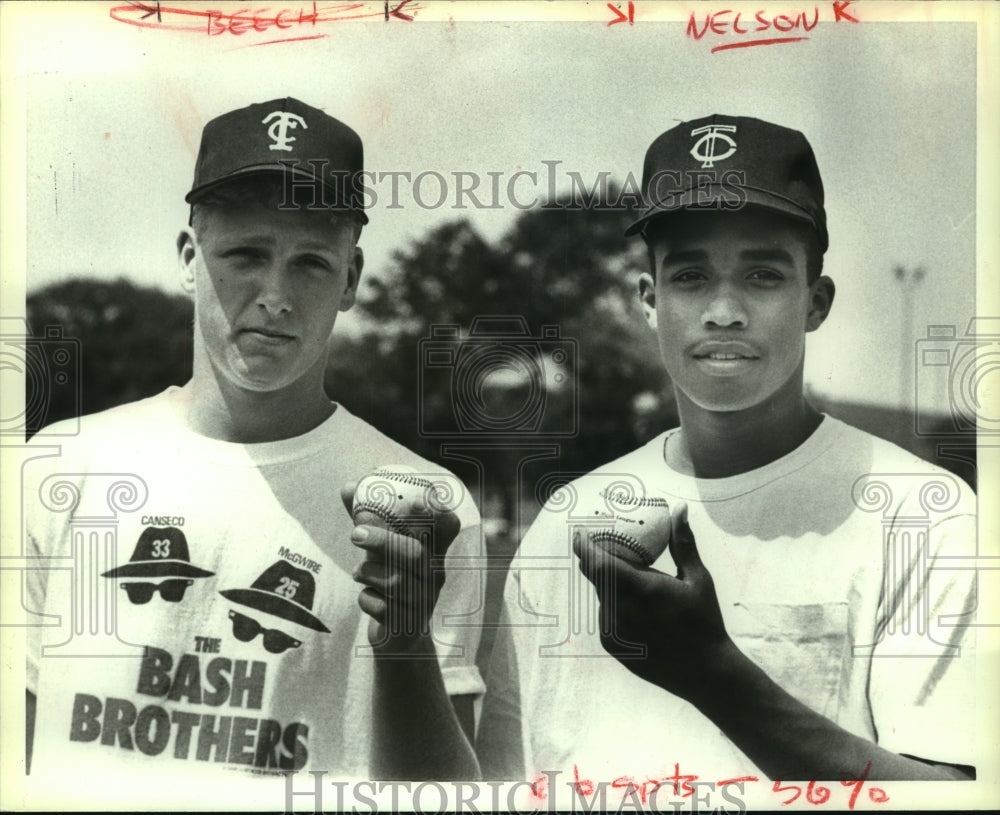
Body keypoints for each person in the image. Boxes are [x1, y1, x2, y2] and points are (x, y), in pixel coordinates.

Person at [477, 114, 977, 791]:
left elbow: (952, 796)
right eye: (690, 277)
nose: (724, 311)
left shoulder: (924, 513)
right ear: (650, 300)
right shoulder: (569, 519)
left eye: (763, 275)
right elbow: (506, 781)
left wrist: (713, 675)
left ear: (815, 301)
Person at [23, 97, 483, 801]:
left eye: (310, 264)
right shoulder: (57, 466)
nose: (275, 295)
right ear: (189, 257)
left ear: (352, 280)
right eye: (245, 255)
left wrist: (404, 641)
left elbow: (447, 799)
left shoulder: (424, 508)